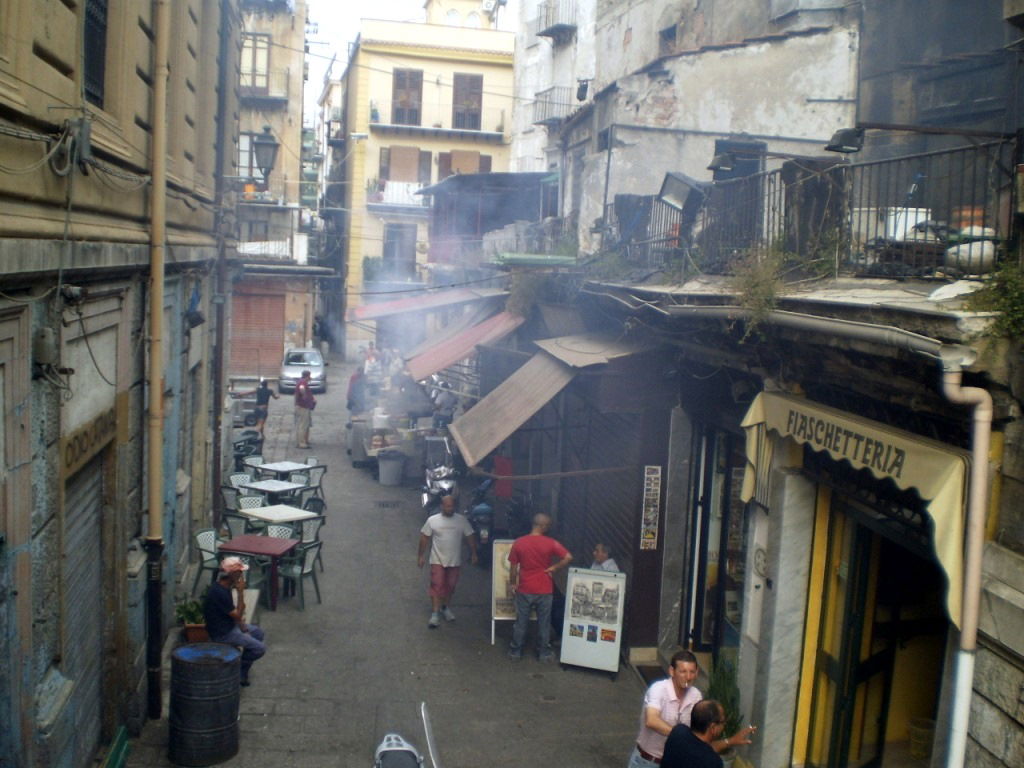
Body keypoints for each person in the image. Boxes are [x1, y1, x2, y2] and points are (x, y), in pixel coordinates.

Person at [630, 651, 756, 767]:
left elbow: (700, 738)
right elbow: (651, 720)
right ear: (672, 671)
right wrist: (681, 736)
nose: (688, 677)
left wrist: (731, 741)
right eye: (683, 671)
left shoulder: (695, 695)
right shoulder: (658, 689)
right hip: (646, 761)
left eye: (692, 672)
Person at [507, 512, 572, 661]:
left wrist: (513, 583)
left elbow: (513, 567)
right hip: (545, 589)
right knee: (544, 623)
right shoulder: (550, 543)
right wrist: (555, 568)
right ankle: (543, 653)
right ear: (542, 526)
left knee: (521, 622)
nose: (548, 528)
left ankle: (515, 652)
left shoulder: (519, 542)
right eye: (547, 525)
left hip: (525, 588)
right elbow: (568, 557)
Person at [203, 556, 266, 687]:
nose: (241, 575)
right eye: (240, 572)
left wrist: (244, 628)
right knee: (259, 649)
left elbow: (237, 615)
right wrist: (241, 592)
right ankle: (239, 672)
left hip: (230, 625)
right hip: (223, 633)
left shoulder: (224, 587)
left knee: (258, 633)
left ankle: (241, 670)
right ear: (233, 574)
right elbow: (238, 614)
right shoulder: (219, 593)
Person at [418, 494, 478, 628]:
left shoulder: (461, 521)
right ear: (442, 507)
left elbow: (470, 536)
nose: (450, 508)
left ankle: (445, 607)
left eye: (452, 506)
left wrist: (473, 553)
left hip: (454, 560)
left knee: (450, 585)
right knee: (437, 585)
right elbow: (424, 538)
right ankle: (434, 614)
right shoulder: (432, 520)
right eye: (448, 506)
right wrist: (420, 556)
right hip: (437, 559)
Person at [661, 700, 732, 768]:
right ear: (713, 728)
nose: (724, 725)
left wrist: (731, 741)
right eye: (723, 721)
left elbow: (700, 747)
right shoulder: (713, 762)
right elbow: (703, 750)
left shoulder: (678, 731)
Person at [294, 369, 316, 449]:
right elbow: (302, 388)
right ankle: (301, 443)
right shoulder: (302, 382)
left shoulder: (301, 381)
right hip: (303, 407)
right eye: (309, 376)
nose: (310, 378)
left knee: (305, 424)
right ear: (307, 376)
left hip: (304, 406)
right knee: (303, 425)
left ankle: (304, 440)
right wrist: (305, 397)